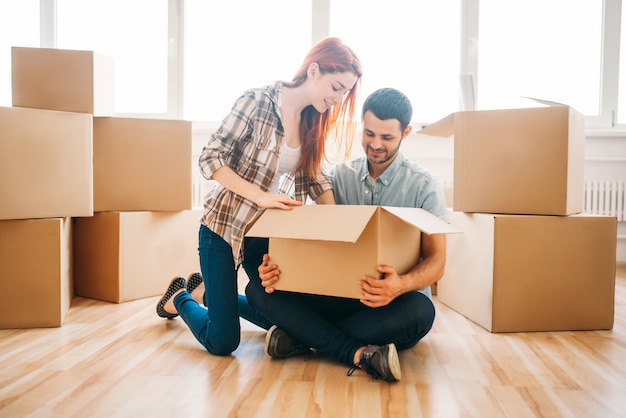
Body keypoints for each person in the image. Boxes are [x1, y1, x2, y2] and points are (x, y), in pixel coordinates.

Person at [155, 37, 363, 356]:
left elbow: (314, 179)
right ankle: (181, 297)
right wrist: (261, 197)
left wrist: (338, 228)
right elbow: (210, 158)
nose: (338, 99)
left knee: (291, 320)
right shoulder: (257, 101)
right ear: (314, 70)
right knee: (223, 341)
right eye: (336, 87)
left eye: (345, 92)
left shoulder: (312, 120)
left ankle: (212, 295)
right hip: (223, 228)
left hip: (263, 234)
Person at [245, 87, 449, 382]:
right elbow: (316, 241)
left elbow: (437, 261)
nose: (375, 144)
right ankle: (354, 352)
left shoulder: (424, 185)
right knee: (256, 290)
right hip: (340, 294)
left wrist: (400, 284)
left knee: (421, 313)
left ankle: (303, 335)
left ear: (406, 132)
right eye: (369, 133)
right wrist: (277, 266)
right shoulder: (339, 177)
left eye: (387, 137)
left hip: (391, 303)